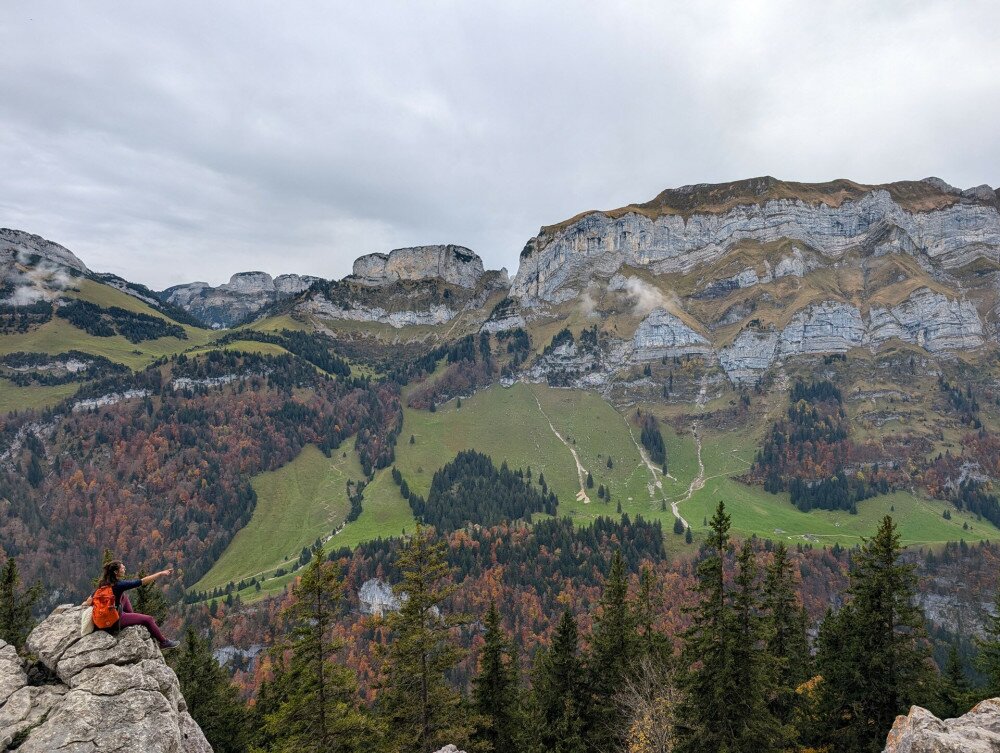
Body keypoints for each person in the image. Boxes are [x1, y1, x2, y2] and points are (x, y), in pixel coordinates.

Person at [84, 560, 179, 649]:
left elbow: (88, 602)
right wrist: (160, 574)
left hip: (102, 620)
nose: (124, 568)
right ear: (116, 572)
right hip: (114, 622)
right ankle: (163, 642)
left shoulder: (103, 585)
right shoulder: (119, 585)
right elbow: (142, 581)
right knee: (148, 619)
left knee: (123, 597)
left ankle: (131, 617)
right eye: (122, 568)